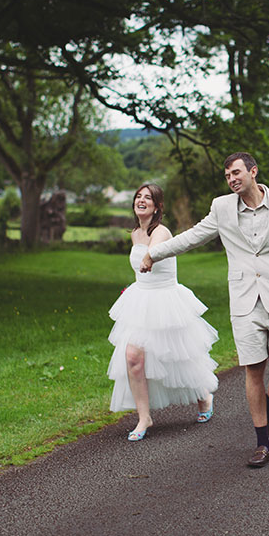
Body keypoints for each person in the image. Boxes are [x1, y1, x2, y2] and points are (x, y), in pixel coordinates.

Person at [141, 152, 269, 467]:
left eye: (236, 173)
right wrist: (155, 253)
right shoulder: (221, 208)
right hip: (244, 301)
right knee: (254, 369)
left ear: (253, 171)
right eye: (227, 175)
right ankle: (261, 443)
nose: (231, 179)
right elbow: (192, 238)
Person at [106, 183, 218, 441]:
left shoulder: (162, 232)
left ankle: (204, 396)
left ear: (157, 207)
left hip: (167, 301)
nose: (141, 200)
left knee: (179, 357)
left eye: (148, 198)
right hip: (141, 300)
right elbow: (138, 267)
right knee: (133, 357)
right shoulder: (135, 233)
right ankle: (144, 417)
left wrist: (149, 258)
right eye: (138, 196)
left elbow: (153, 252)